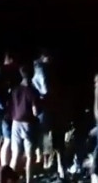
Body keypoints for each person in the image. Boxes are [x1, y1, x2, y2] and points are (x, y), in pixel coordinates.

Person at [33, 49, 65, 178]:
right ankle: (53, 164)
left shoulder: (39, 68)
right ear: (44, 57)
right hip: (47, 106)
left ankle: (50, 163)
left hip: (48, 107)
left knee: (47, 135)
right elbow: (45, 89)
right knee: (49, 135)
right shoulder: (42, 69)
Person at [8, 65, 41, 183]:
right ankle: (29, 180)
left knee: (15, 154)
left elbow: (10, 107)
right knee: (30, 155)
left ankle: (9, 179)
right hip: (28, 124)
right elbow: (35, 111)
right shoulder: (33, 91)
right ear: (32, 75)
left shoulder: (15, 90)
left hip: (15, 123)